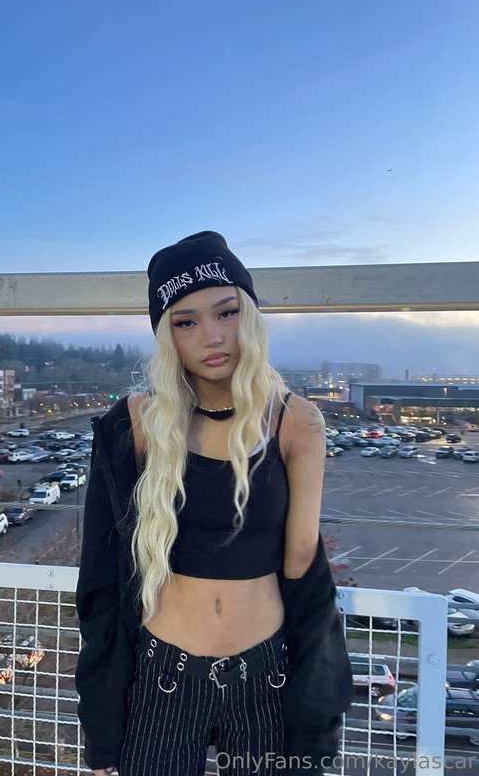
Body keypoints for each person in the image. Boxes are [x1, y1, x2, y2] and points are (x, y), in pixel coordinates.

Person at [75, 231, 353, 776]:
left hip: (266, 678)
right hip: (162, 677)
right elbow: (102, 577)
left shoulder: (295, 421)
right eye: (186, 322)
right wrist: (102, 729)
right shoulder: (133, 425)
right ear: (167, 337)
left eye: (227, 312)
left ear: (250, 315)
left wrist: (314, 726)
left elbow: (305, 571)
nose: (213, 336)